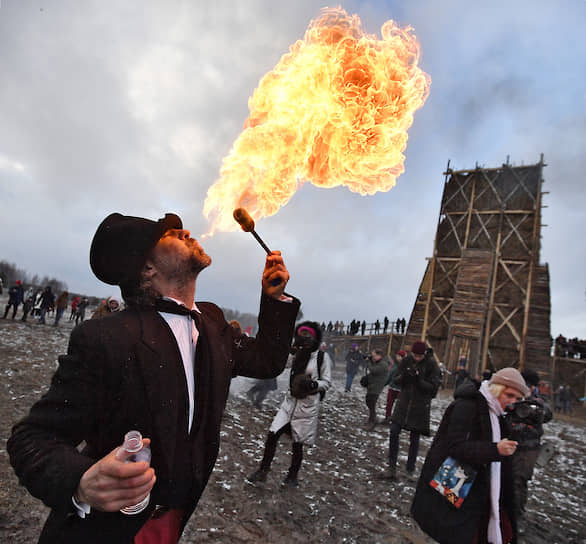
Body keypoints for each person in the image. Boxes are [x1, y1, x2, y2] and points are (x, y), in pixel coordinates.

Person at [7, 211, 300, 544]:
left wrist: (274, 298)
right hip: (106, 531)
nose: (186, 231)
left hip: (171, 522)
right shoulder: (106, 338)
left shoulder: (213, 322)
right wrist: (81, 481)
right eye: (171, 234)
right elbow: (33, 437)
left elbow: (265, 361)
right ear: (147, 269)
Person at [411, 368, 529, 544]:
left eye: (518, 399)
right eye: (509, 395)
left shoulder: (499, 413)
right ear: (497, 390)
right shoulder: (468, 406)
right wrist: (495, 450)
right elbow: (455, 446)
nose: (513, 402)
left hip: (480, 488)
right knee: (454, 534)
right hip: (459, 484)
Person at [247, 321, 331, 487]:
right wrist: (284, 351)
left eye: (307, 335)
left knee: (297, 444)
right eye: (301, 335)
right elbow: (282, 365)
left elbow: (327, 382)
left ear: (315, 338)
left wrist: (314, 385)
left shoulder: (322, 357)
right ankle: (263, 471)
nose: (304, 338)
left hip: (306, 406)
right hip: (289, 403)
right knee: (272, 435)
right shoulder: (297, 353)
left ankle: (292, 477)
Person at [384, 340, 441, 479]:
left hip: (420, 406)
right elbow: (396, 379)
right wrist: (405, 376)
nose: (416, 358)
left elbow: (434, 388)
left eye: (419, 356)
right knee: (394, 431)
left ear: (424, 354)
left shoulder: (432, 364)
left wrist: (419, 380)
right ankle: (391, 467)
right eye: (415, 355)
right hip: (403, 403)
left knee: (415, 439)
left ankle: (410, 469)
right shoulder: (407, 361)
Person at [506, 369, 552, 533]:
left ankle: (516, 517)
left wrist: (533, 409)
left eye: (528, 385)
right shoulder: (513, 395)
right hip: (509, 444)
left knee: (519, 481)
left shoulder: (538, 401)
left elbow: (547, 412)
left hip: (528, 448)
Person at [364, 348, 389, 430]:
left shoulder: (383, 364)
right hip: (373, 385)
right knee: (369, 401)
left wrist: (368, 361)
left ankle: (372, 421)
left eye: (374, 355)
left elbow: (373, 370)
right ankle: (372, 418)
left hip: (376, 387)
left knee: (371, 403)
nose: (373, 357)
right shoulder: (379, 362)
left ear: (379, 356)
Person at [383, 349, 405, 424]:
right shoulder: (394, 365)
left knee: (399, 406)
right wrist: (384, 384)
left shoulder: (405, 366)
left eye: (400, 356)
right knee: (389, 404)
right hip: (392, 387)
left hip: (400, 389)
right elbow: (390, 376)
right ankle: (387, 417)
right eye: (397, 356)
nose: (398, 358)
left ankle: (397, 420)